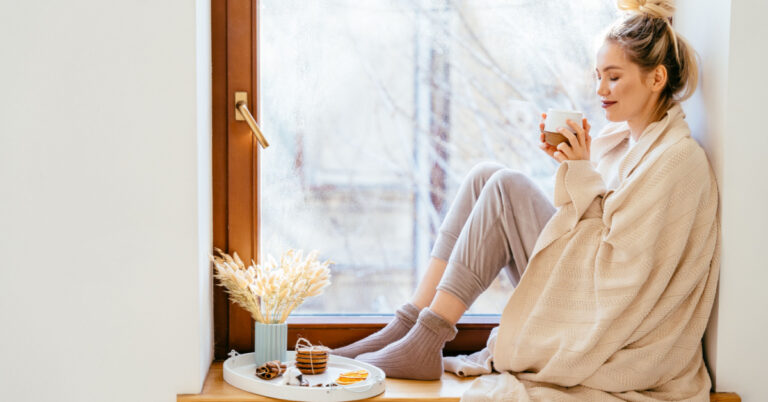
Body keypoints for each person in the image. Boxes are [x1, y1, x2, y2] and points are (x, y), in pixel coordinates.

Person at [333, 1, 719, 399]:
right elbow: (589, 220)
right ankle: (409, 326)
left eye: (613, 77)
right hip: (587, 285)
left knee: (506, 187)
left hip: (607, 318)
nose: (600, 90)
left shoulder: (676, 159)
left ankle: (425, 340)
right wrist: (571, 167)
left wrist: (580, 172)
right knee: (486, 176)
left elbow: (622, 270)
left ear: (656, 78)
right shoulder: (621, 142)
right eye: (597, 76)